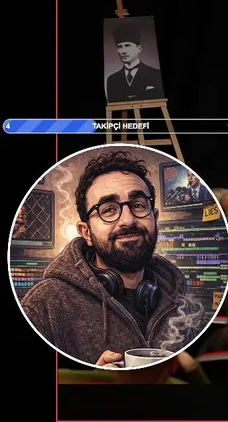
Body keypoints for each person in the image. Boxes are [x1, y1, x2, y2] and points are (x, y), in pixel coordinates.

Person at [21, 149, 194, 367]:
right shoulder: (44, 305)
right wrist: (88, 379)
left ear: (155, 218)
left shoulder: (176, 296)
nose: (128, 220)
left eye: (138, 205)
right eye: (109, 209)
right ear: (86, 233)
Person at [104, 21, 164, 103]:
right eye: (119, 46)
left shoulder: (156, 74)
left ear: (139, 49)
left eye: (127, 45)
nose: (123, 51)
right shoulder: (112, 80)